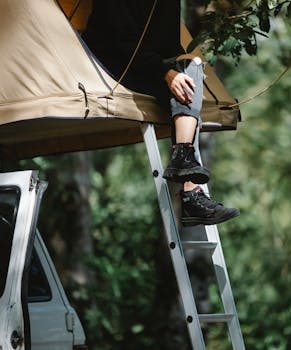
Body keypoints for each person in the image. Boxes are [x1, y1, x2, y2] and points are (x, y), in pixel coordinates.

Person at [83, 0, 239, 226]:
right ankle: (190, 190)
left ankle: (185, 168)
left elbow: (168, 46)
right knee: (185, 77)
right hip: (108, 66)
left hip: (147, 66)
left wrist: (181, 70)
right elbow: (120, 44)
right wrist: (165, 72)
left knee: (191, 69)